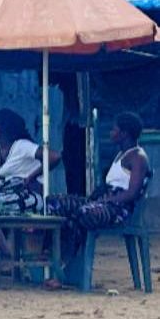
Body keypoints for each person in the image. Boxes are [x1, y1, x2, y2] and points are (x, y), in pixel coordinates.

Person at [48, 112, 151, 272]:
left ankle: (70, 263)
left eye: (114, 130)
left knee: (84, 213)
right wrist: (96, 199)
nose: (111, 133)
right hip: (105, 203)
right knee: (56, 203)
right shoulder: (120, 155)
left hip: (120, 209)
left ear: (124, 134)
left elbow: (132, 193)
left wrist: (106, 201)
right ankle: (57, 259)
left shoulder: (138, 157)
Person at [0, 109, 60, 216]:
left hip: (31, 197)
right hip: (9, 196)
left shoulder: (21, 146)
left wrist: (31, 177)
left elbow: (54, 157)